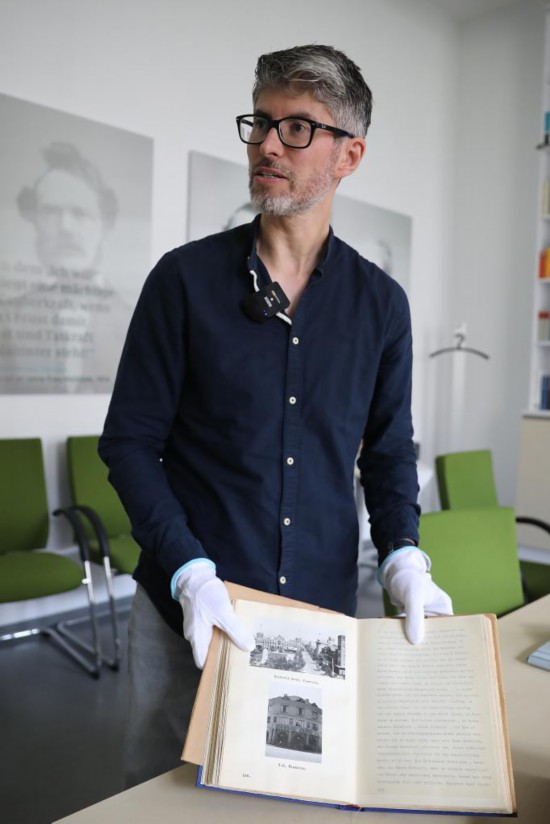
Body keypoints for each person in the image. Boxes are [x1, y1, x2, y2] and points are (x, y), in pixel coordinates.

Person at [99, 44, 452, 787]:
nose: (267, 144)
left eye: (297, 128)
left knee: (294, 794)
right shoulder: (183, 281)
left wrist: (403, 556)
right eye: (260, 122)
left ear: (349, 155)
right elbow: (129, 442)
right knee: (160, 794)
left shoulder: (381, 306)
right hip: (188, 609)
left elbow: (388, 450)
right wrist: (188, 571)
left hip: (316, 618)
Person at [0, 142, 130, 393]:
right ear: (35, 222)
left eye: (80, 213)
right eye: (50, 212)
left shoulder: (135, 321)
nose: (66, 227)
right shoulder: (6, 317)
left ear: (105, 226)